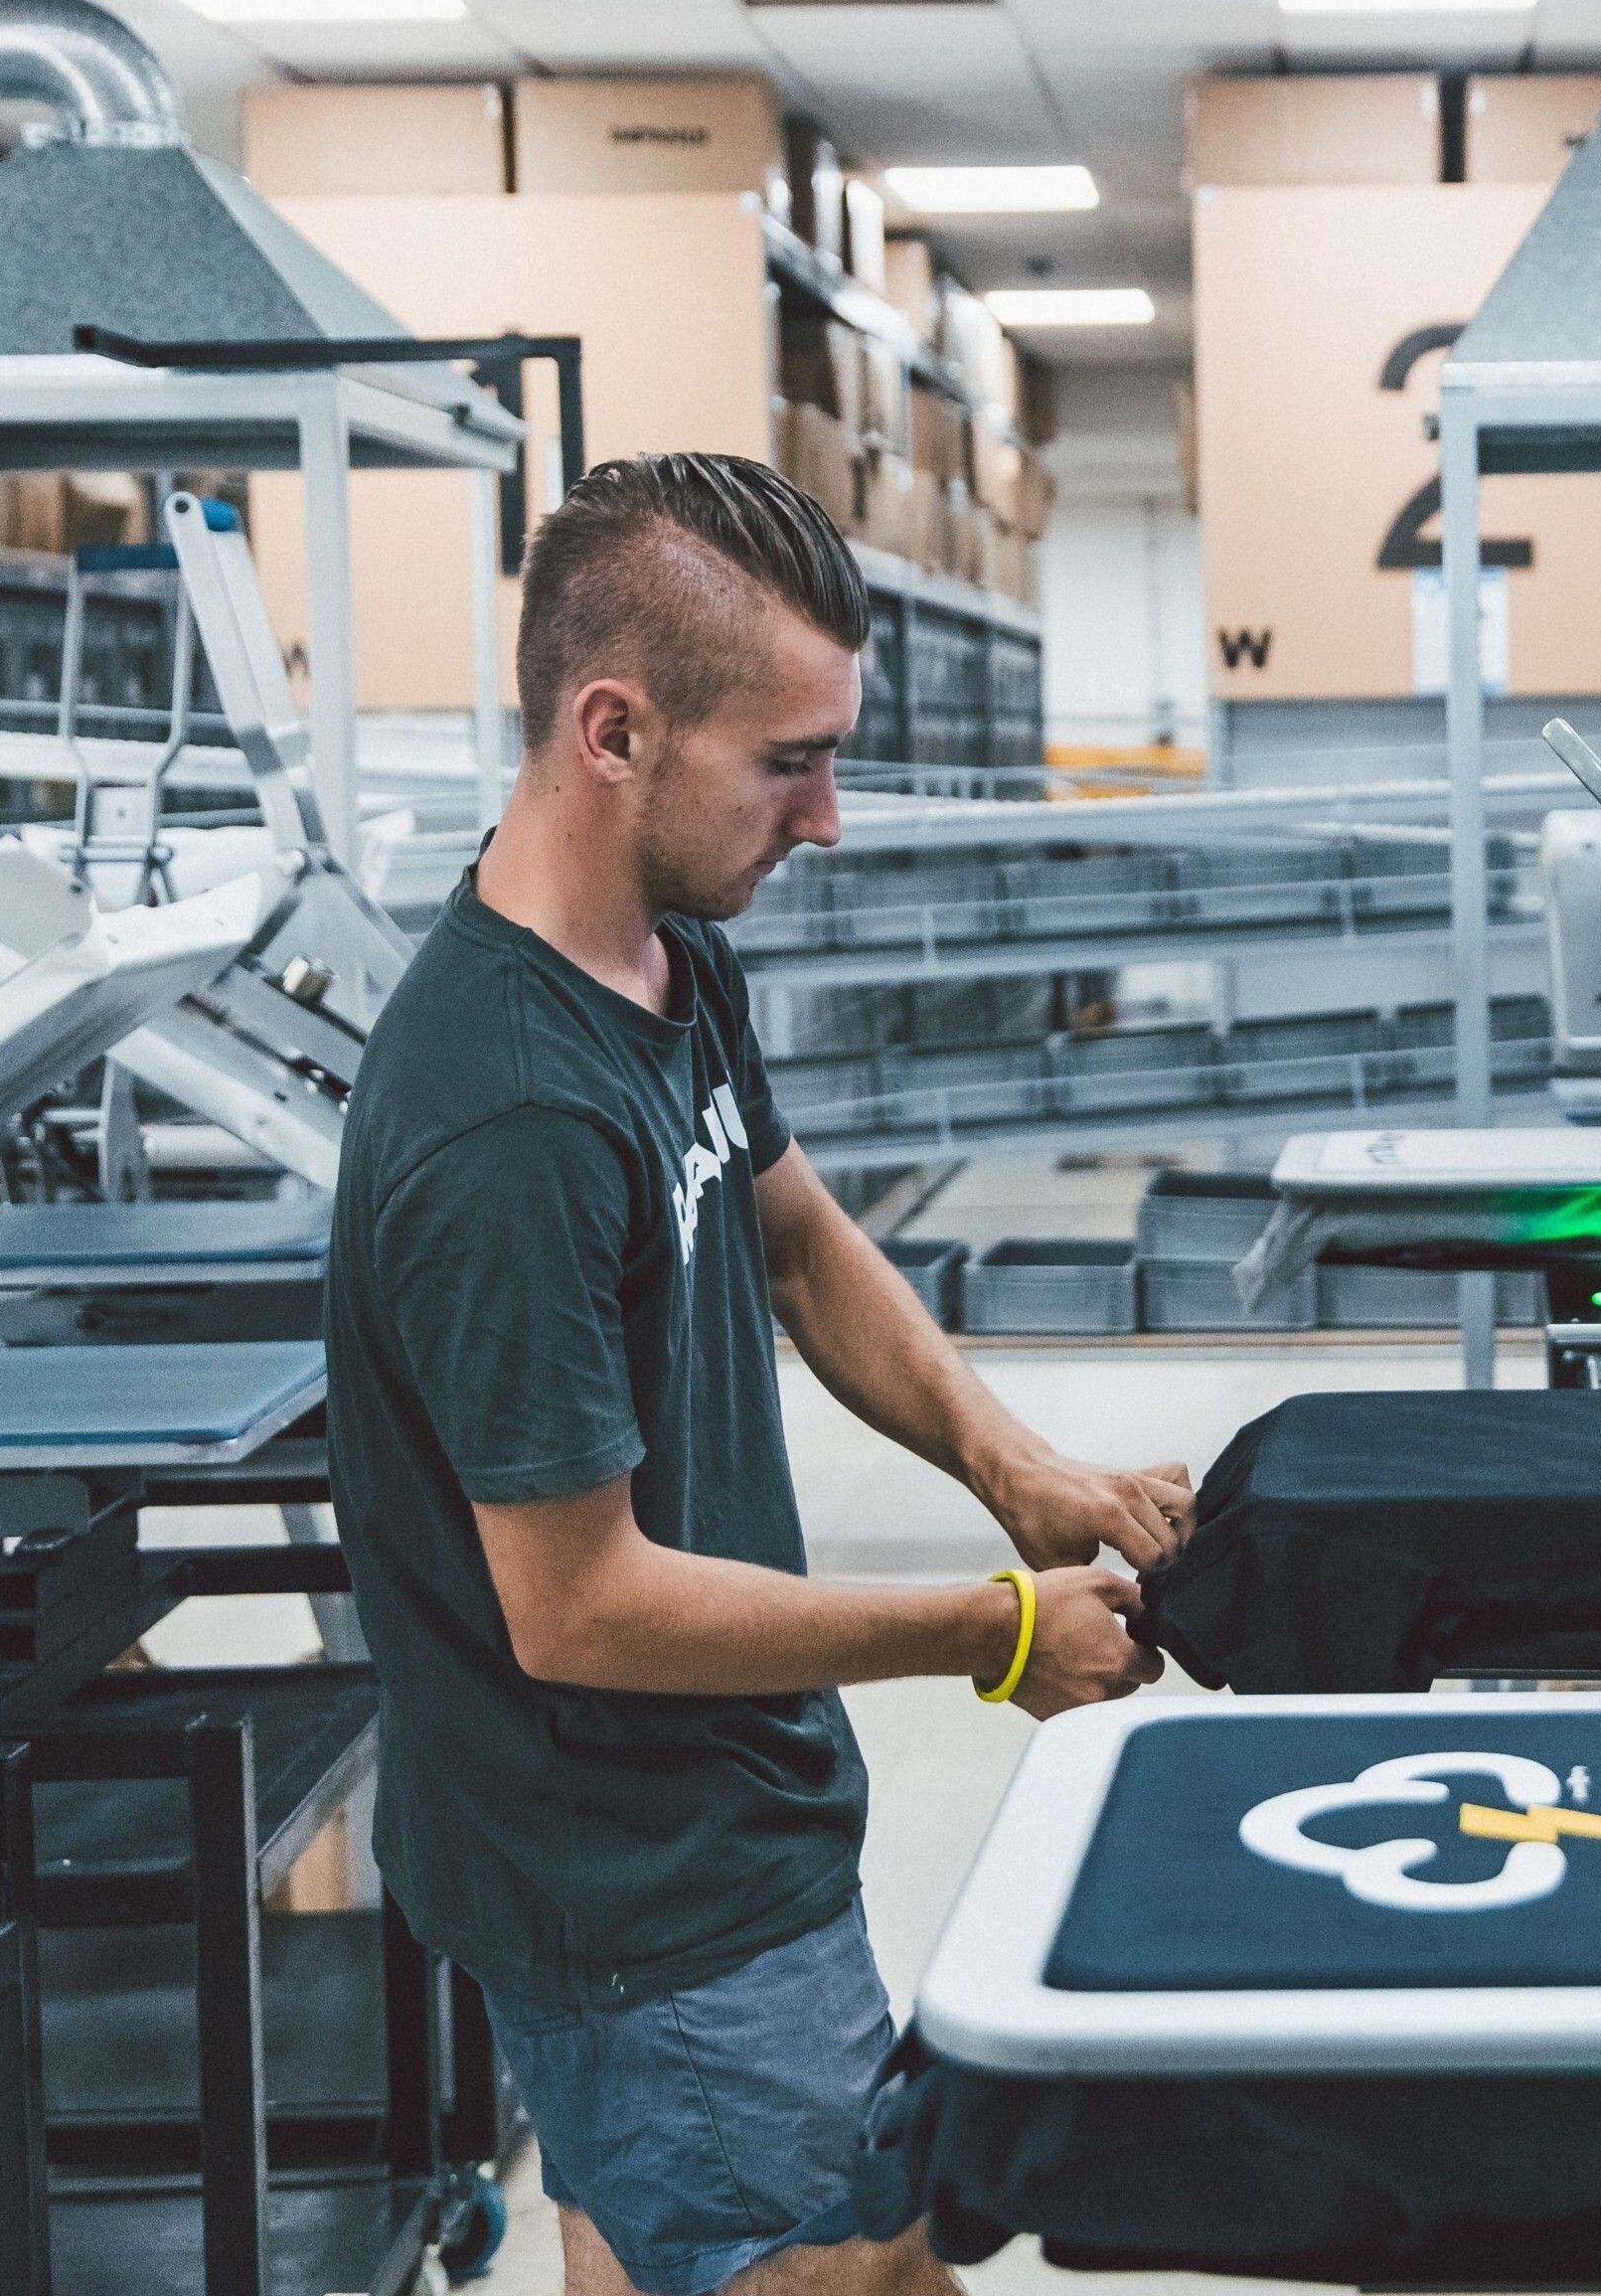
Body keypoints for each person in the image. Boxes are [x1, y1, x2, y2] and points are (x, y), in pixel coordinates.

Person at [324, 452, 1190, 2296]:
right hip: (642, 1877)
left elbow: (793, 1235)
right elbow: (580, 1607)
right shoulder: (507, 1115)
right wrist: (997, 1630)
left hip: (673, 1821)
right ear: (614, 730)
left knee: (642, 2239)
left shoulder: (663, 954)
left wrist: (1007, 1463)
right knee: (868, 2273)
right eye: (789, 763)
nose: (832, 819)